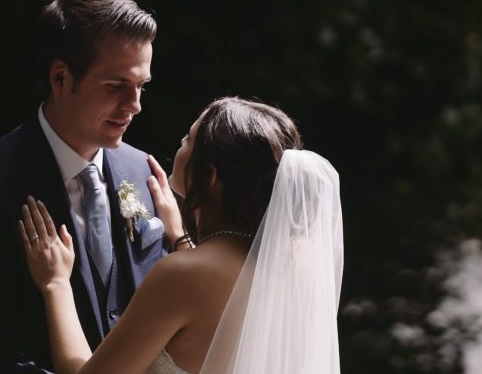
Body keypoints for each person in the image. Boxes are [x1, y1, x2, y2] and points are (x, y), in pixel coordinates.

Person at [0, 0, 182, 373]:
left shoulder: (143, 172)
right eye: (116, 86)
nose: (135, 106)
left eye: (141, 87)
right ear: (61, 78)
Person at [17, 97, 344, 373]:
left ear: (211, 177)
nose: (181, 145)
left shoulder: (182, 274)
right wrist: (180, 237)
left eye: (189, 139)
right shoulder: (299, 266)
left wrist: (56, 284)